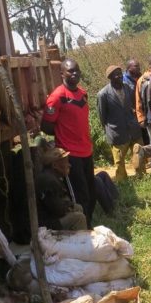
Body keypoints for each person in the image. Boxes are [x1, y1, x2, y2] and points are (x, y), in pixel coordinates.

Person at [42, 58, 96, 226]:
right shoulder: (57, 97)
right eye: (70, 71)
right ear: (62, 74)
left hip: (87, 150)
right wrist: (63, 135)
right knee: (80, 195)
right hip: (70, 155)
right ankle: (84, 229)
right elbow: (46, 126)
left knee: (91, 193)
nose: (74, 73)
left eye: (77, 70)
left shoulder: (82, 94)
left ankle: (89, 223)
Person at [97, 65, 142, 181]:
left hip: (132, 128)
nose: (119, 76)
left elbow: (133, 105)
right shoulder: (103, 94)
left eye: (120, 73)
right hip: (117, 131)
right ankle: (123, 183)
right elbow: (103, 116)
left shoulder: (127, 87)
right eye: (116, 75)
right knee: (119, 161)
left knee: (139, 154)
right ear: (110, 78)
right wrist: (109, 130)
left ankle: (142, 176)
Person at [35, 147, 87, 231]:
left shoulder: (52, 177)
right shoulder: (49, 181)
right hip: (46, 224)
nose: (69, 165)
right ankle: (81, 242)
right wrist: (69, 206)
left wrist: (68, 205)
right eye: (65, 162)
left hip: (50, 217)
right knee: (79, 218)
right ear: (55, 165)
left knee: (78, 208)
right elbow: (58, 210)